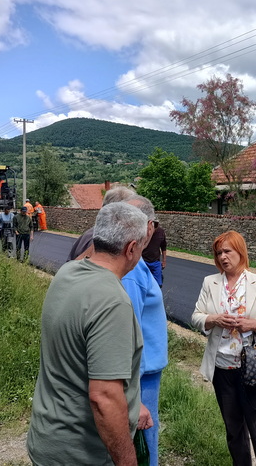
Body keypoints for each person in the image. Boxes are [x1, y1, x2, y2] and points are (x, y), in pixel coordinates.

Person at [27, 202, 149, 465]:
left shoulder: (68, 272)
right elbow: (104, 397)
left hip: (47, 438)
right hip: (83, 453)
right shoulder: (112, 301)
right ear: (131, 249)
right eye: (141, 246)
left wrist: (133, 403)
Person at [69, 191, 169, 466]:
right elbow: (126, 334)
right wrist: (133, 399)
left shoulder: (131, 264)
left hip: (142, 373)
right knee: (142, 445)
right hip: (140, 376)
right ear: (147, 228)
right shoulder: (131, 270)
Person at [191, 230, 256, 466]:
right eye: (218, 253)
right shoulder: (210, 282)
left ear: (240, 252)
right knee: (234, 432)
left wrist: (254, 324)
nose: (222, 257)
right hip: (222, 368)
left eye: (227, 251)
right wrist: (214, 319)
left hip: (253, 368)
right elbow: (196, 316)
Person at [142, 219, 167, 287]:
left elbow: (163, 246)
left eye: (156, 225)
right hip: (143, 260)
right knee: (143, 282)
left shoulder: (161, 232)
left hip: (155, 262)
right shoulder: (144, 232)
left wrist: (164, 261)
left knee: (158, 284)